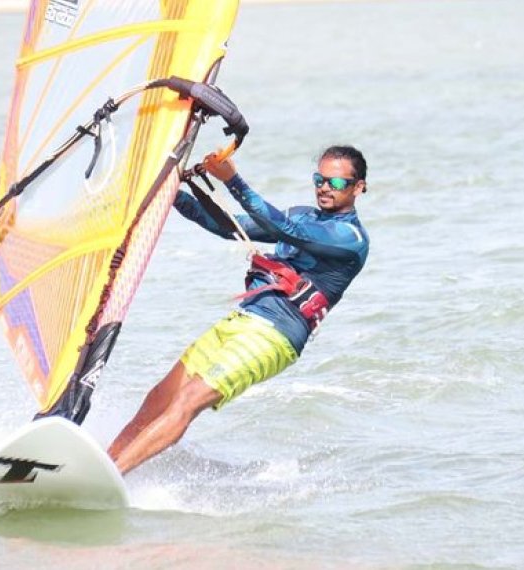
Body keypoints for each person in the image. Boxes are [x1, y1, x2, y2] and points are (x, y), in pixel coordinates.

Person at [107, 145, 370, 475]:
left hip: (275, 336)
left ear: (358, 187)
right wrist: (171, 191)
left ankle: (115, 475)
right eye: (319, 179)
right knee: (160, 397)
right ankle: (103, 463)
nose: (324, 187)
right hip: (243, 319)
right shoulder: (303, 214)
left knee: (187, 400)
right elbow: (227, 225)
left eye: (337, 183)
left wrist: (233, 180)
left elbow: (285, 231)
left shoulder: (350, 238)